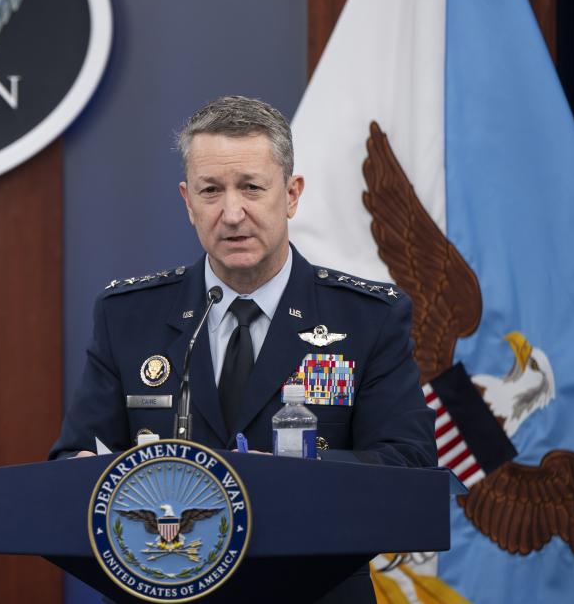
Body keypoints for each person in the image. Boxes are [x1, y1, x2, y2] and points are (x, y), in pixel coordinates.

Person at [50, 95, 435, 466]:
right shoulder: (127, 318)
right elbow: (75, 457)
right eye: (211, 190)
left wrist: (291, 470)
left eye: (251, 187)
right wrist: (82, 468)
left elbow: (409, 462)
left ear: (291, 195)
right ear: (188, 202)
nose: (232, 213)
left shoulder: (367, 319)